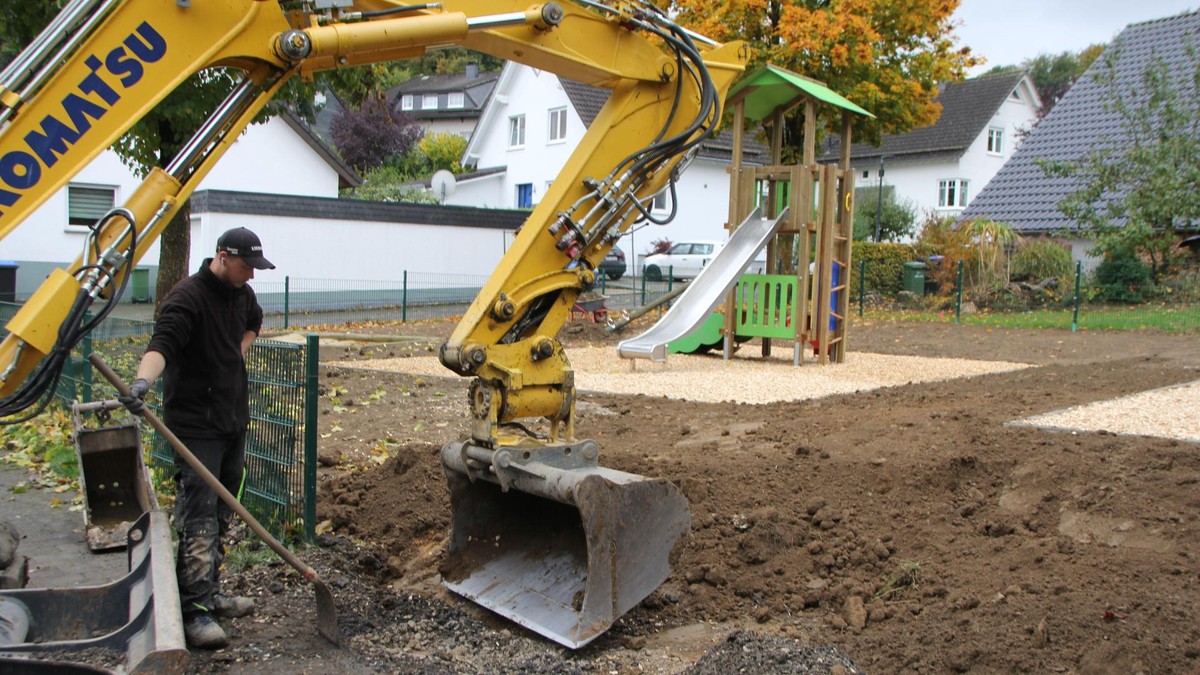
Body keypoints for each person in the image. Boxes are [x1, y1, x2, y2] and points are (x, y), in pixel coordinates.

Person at [120, 227, 275, 649]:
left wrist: (238, 351)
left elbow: (254, 322)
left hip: (231, 421)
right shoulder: (186, 298)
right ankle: (193, 612)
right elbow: (162, 345)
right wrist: (141, 383)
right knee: (200, 518)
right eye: (246, 266)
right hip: (195, 427)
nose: (252, 275)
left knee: (222, 514)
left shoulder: (242, 295)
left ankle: (210, 593)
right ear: (222, 256)